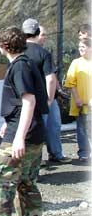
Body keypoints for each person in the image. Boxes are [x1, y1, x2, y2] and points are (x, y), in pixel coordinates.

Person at [0, 26, 46, 216]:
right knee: (26, 185)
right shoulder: (27, 64)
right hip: (33, 135)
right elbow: (22, 103)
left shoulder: (19, 66)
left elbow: (29, 100)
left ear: (3, 46)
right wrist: (9, 122)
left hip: (21, 138)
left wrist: (19, 136)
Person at [22, 18, 71, 164]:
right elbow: (51, 78)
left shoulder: (18, 53)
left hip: (27, 98)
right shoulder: (43, 54)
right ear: (37, 33)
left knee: (36, 129)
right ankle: (51, 156)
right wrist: (50, 99)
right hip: (45, 98)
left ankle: (37, 159)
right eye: (43, 34)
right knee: (48, 127)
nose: (45, 37)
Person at [64, 38, 92, 162]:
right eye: (79, 47)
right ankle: (84, 153)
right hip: (81, 104)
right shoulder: (76, 63)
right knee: (82, 129)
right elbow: (71, 83)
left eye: (83, 47)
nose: (81, 49)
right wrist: (77, 99)